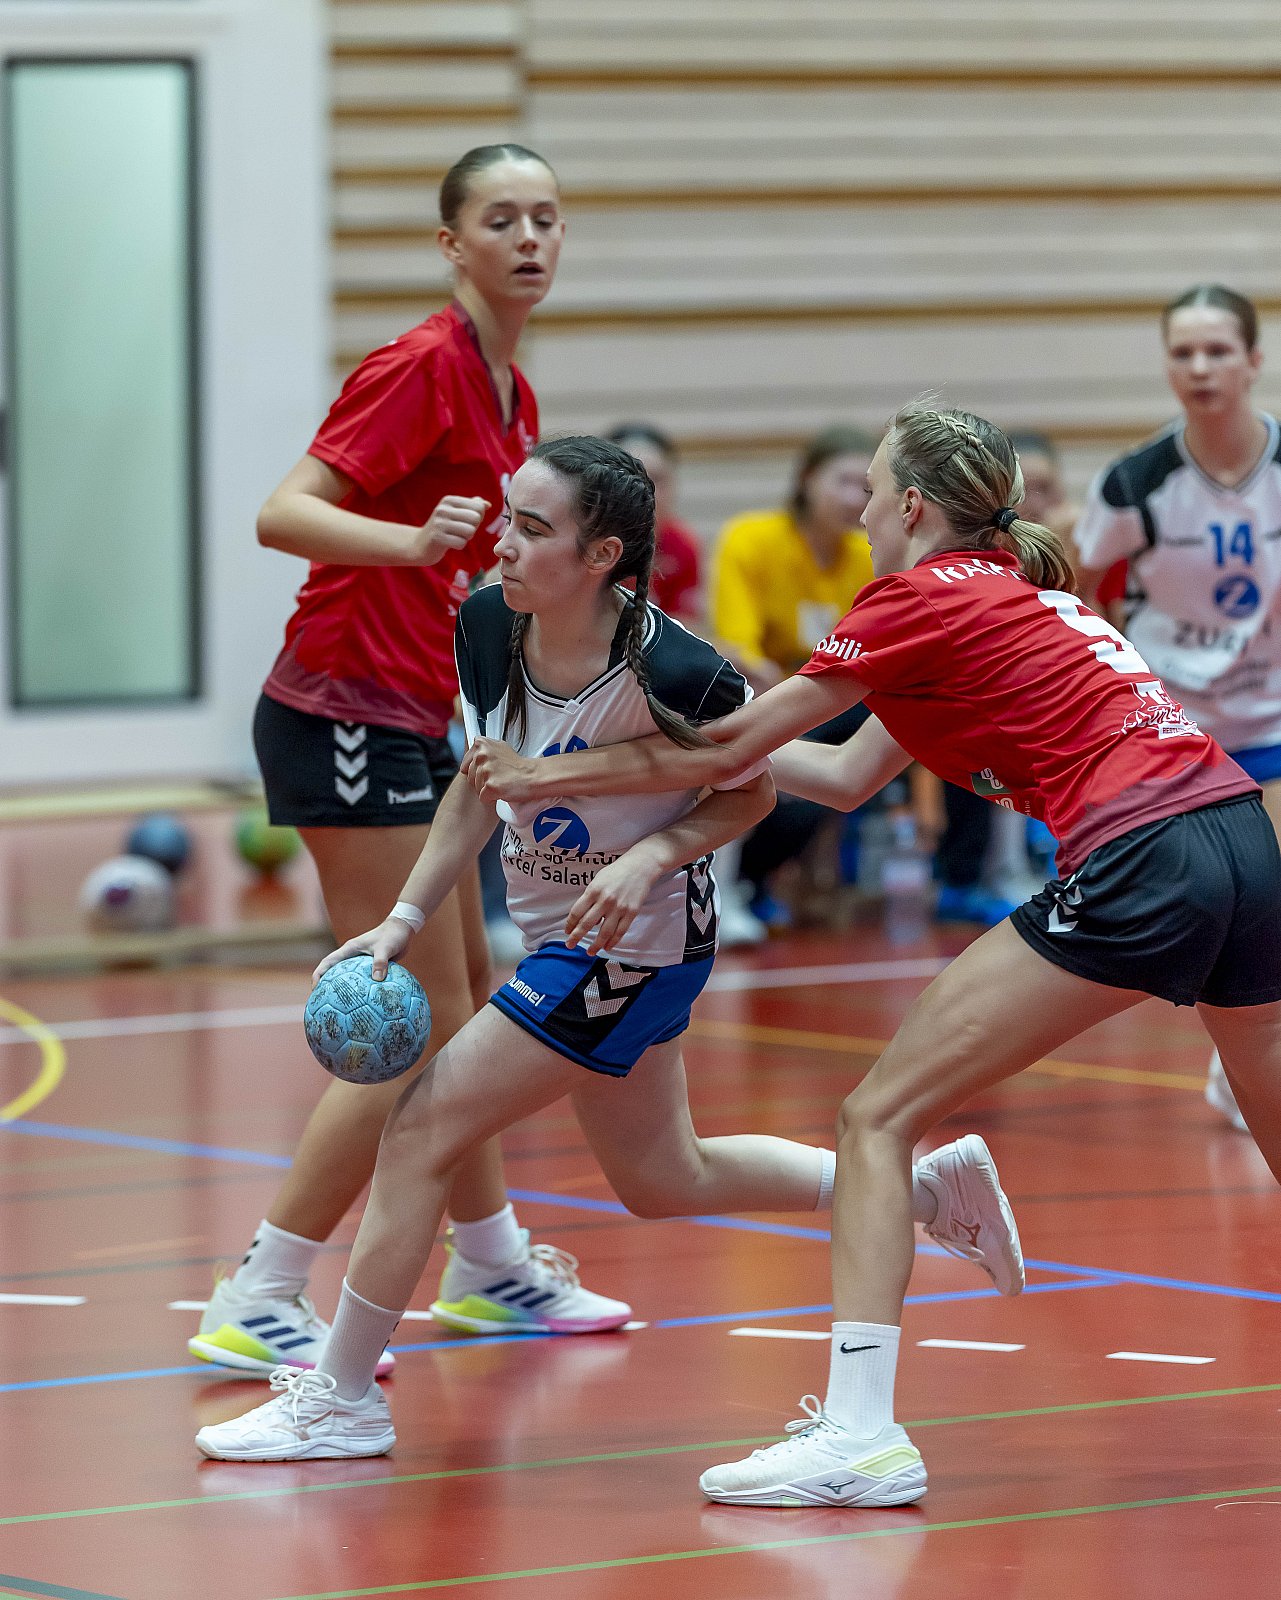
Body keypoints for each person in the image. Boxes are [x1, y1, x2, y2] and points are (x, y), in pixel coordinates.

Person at [463, 404, 1281, 1509]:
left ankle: (859, 1435)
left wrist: (550, 770)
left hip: (1144, 854)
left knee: (876, 1119)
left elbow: (731, 744)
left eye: (873, 487)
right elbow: (844, 776)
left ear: (910, 506)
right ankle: (858, 1428)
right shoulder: (1011, 598)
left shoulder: (915, 598)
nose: (856, 507)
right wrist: (651, 742)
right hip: (1242, 839)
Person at [193, 437, 1022, 1461]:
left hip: (636, 948)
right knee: (664, 1177)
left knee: (419, 1129)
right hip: (560, 930)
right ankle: (929, 1190)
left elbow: (752, 792)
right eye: (508, 518)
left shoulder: (679, 671)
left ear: (601, 555)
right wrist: (401, 920)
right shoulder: (487, 623)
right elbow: (478, 787)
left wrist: (653, 856)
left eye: (532, 529)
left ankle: (342, 1396)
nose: (502, 544)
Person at [188, 145, 631, 1382]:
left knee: (464, 999)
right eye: (502, 219)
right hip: (339, 706)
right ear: (452, 244)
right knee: (411, 1014)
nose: (530, 238)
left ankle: (487, 1266)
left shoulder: (511, 391)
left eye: (547, 217)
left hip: (409, 715)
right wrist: (409, 542)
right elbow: (284, 510)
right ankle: (262, 1288)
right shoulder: (422, 365)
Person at [1074, 284, 1281, 1133]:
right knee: (1212, 910)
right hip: (1175, 726)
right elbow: (1079, 587)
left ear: (1252, 360)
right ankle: (1239, 1057)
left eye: (1217, 350)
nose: (1199, 368)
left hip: (1271, 716)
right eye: (1182, 352)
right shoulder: (1134, 481)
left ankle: (1243, 1065)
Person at [710, 427, 879, 924]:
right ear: (806, 479)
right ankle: (724, 890)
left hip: (829, 706)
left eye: (865, 488)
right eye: (842, 482)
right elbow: (737, 650)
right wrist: (791, 705)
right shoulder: (750, 538)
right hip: (758, 698)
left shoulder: (865, 557)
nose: (854, 500)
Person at [933, 431, 1076, 924]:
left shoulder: (1079, 549)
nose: (1037, 503)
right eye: (1025, 490)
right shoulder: (972, 565)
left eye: (1047, 488)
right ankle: (986, 872)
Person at [604, 424, 702, 623]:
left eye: (656, 479)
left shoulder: (682, 546)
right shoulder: (582, 543)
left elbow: (686, 626)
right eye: (632, 478)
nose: (646, 490)